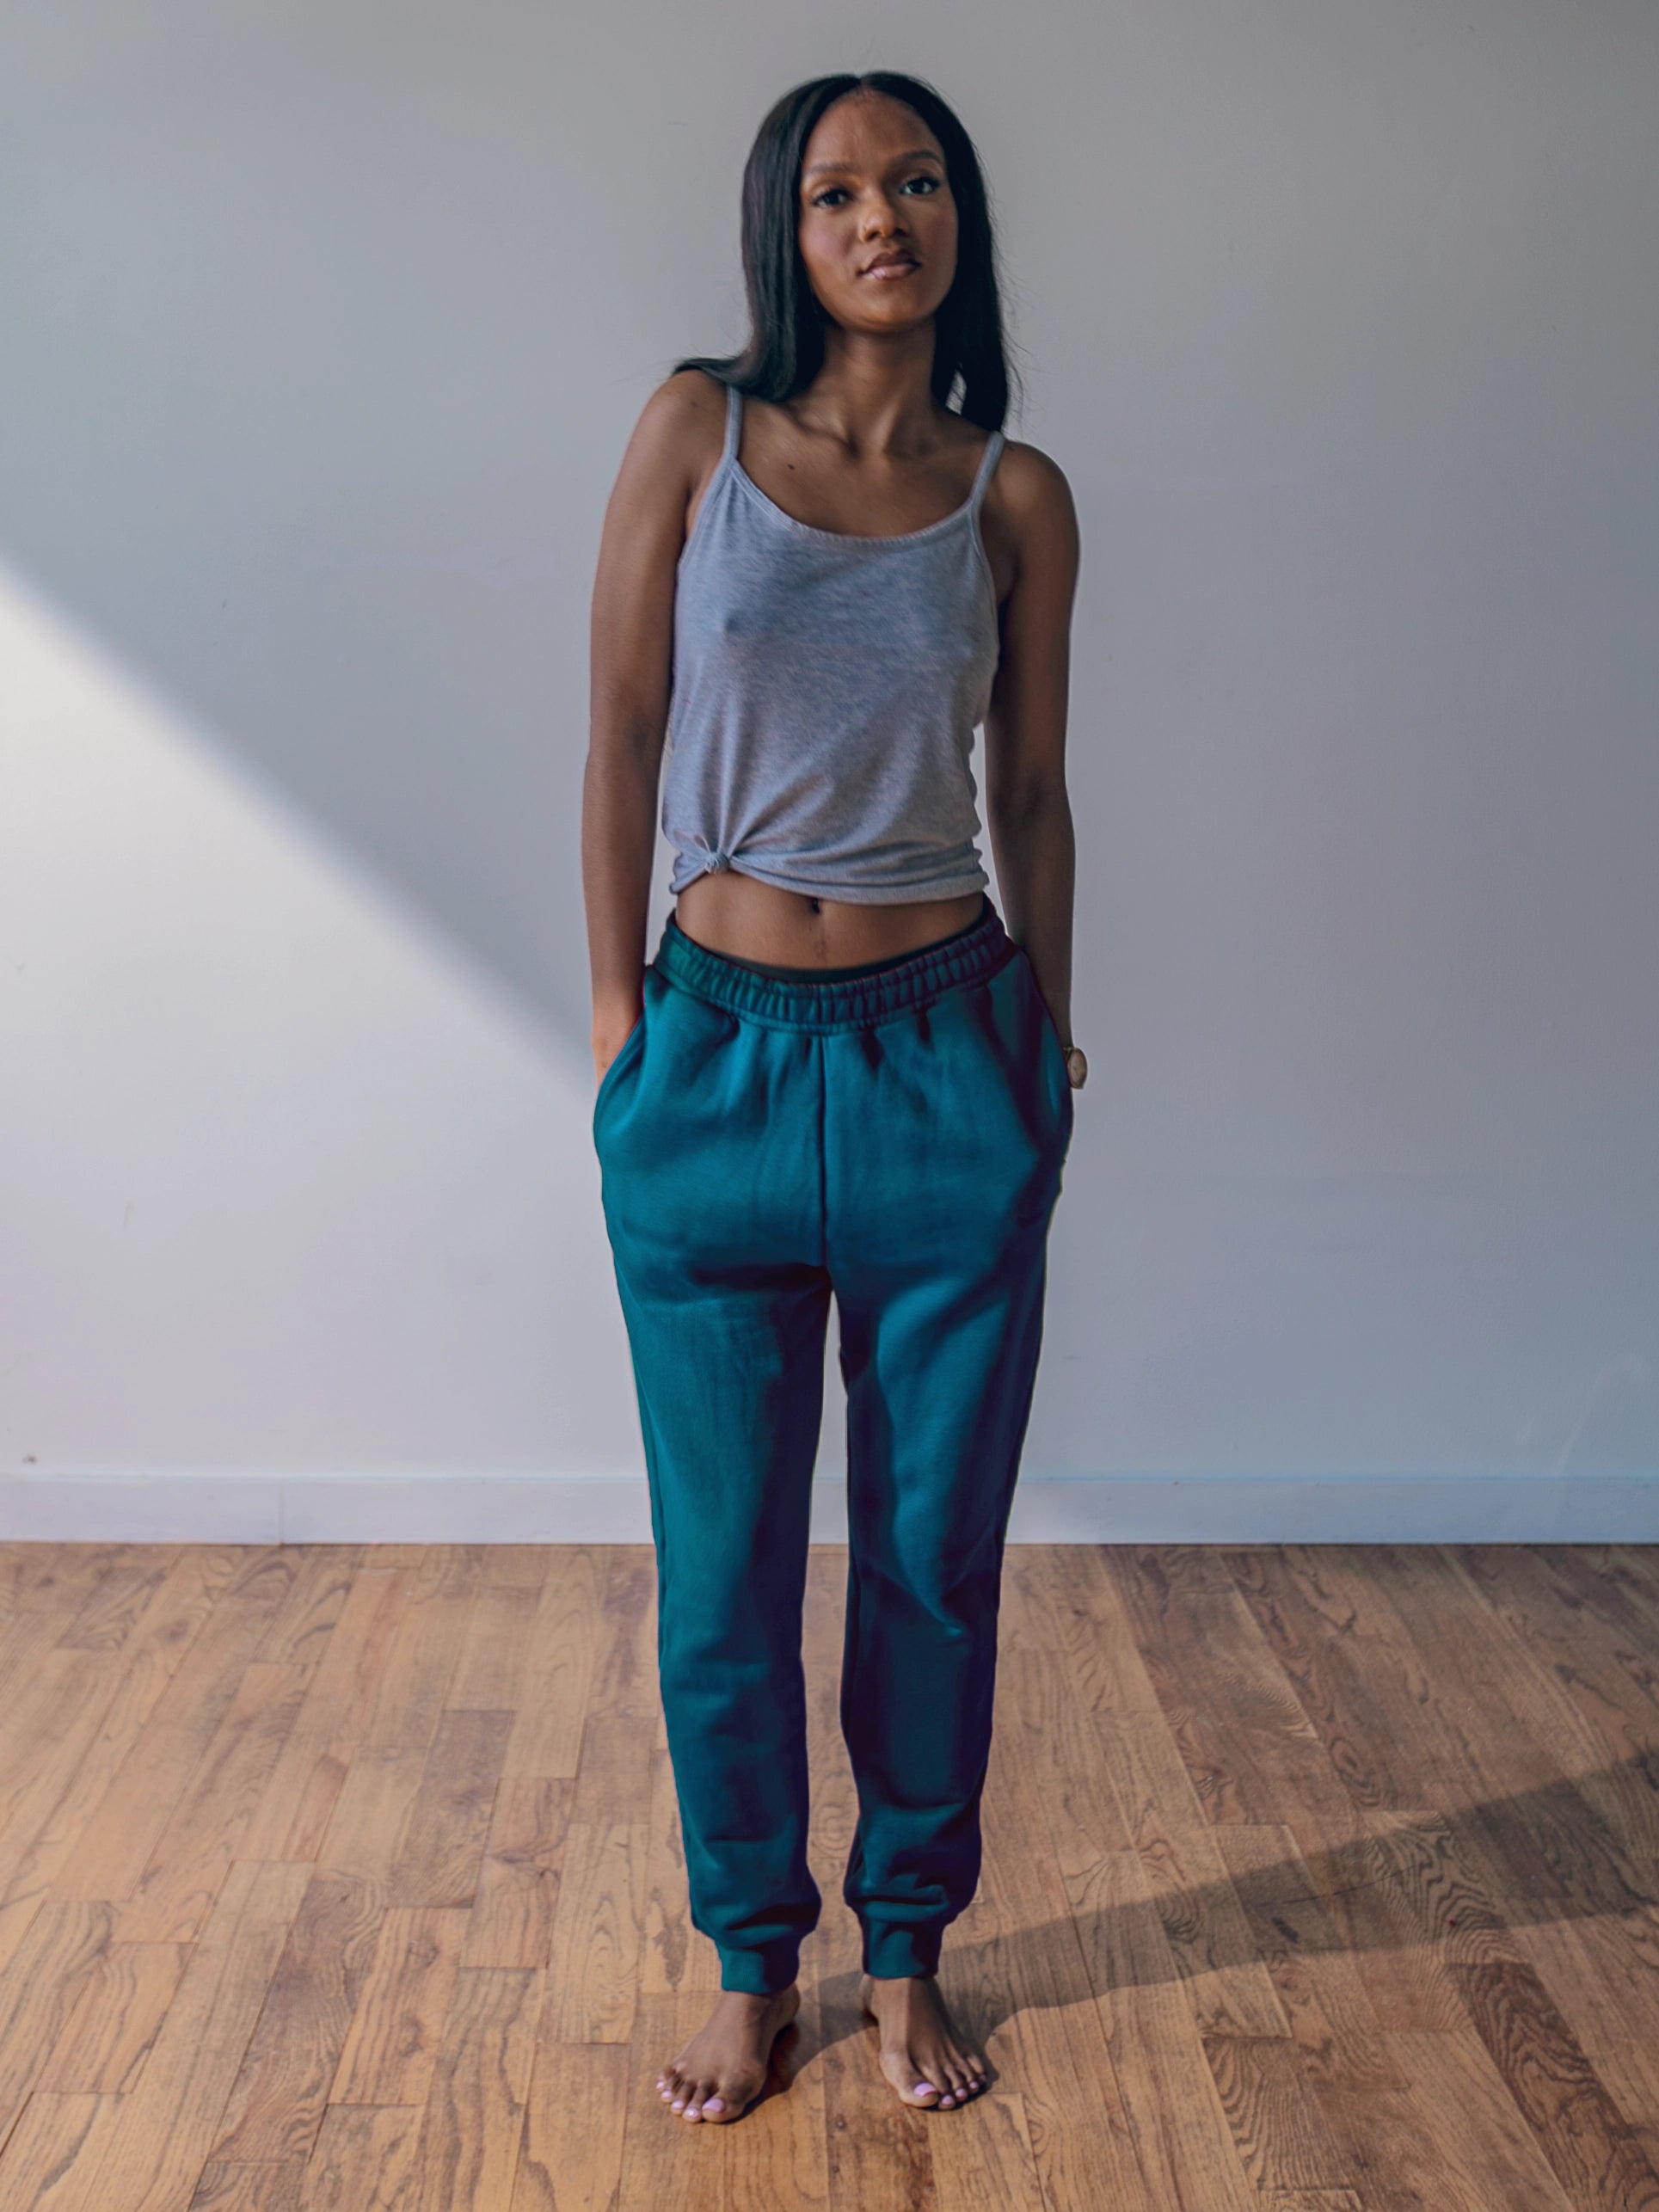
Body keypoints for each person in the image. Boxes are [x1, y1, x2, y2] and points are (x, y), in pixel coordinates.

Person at [582, 67, 1084, 2127]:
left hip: (941, 1053)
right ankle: (744, 1957)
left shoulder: (1017, 492)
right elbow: (618, 725)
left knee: (930, 1554)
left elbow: (1029, 794)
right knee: (717, 1567)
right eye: (834, 193)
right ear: (780, 239)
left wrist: (1044, 1049)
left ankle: (905, 1955)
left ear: (958, 215)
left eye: (916, 180)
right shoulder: (697, 430)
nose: (882, 215)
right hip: (710, 1053)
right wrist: (624, 1020)